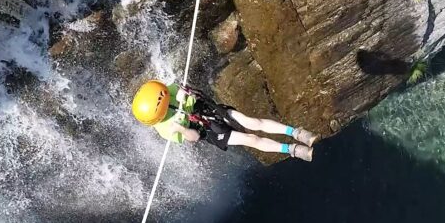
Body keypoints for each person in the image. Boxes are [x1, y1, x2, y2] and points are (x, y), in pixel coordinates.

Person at [131, 80, 318, 161]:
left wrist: (185, 93)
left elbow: (189, 93)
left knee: (252, 123)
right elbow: (195, 137)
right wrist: (181, 129)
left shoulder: (165, 91)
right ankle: (292, 150)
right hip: (208, 130)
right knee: (251, 139)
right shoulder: (165, 130)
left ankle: (296, 132)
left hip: (207, 109)